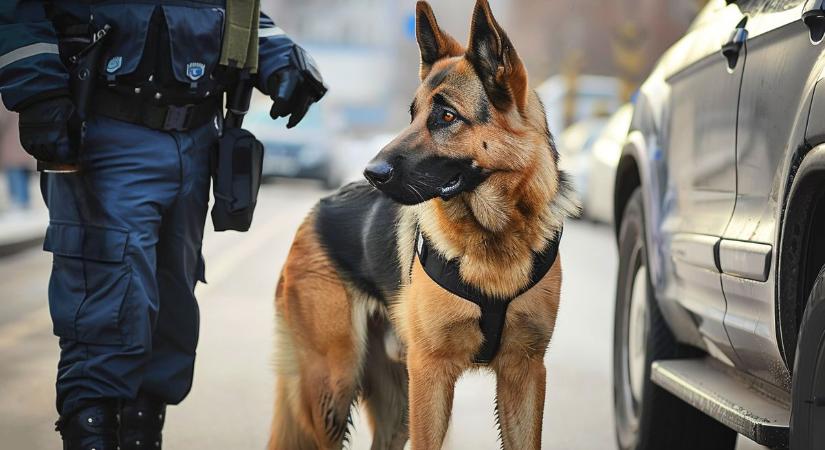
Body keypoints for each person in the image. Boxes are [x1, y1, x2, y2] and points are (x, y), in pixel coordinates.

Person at [0, 2, 326, 449]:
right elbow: (20, 9)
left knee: (167, 318)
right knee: (107, 313)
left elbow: (235, 11)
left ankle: (141, 435)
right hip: (107, 132)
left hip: (195, 140)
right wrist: (39, 93)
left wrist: (282, 58)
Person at [0, 101, 34, 212]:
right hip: (26, 147)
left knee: (16, 177)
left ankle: (20, 205)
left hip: (13, 148)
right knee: (22, 178)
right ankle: (24, 203)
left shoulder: (4, 98)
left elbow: (2, 120)